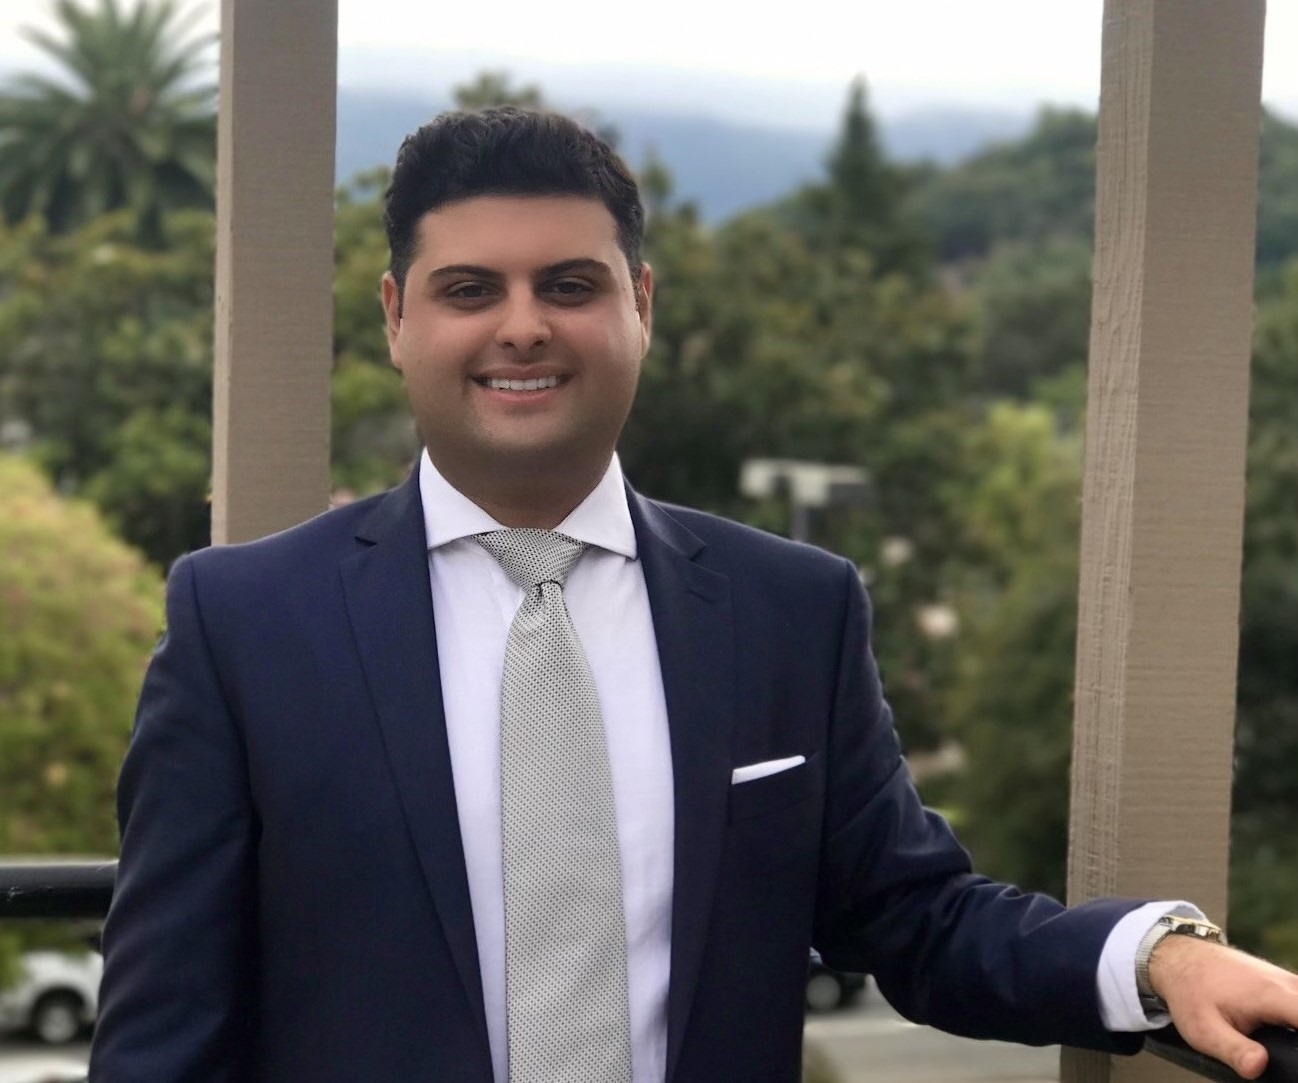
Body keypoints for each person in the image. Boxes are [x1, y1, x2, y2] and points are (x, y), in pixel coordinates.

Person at [89, 107, 1298, 1083]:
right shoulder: (242, 624)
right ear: (398, 319)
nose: (522, 328)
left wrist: (1156, 959)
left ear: (641, 306)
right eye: (469, 291)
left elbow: (916, 919)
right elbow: (163, 1030)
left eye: (569, 284)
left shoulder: (790, 612)